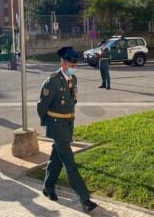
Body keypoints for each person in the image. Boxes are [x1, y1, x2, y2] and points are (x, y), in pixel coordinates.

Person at [37, 47, 98, 213]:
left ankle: (48, 187)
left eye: (75, 64)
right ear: (63, 62)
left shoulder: (73, 79)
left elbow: (72, 101)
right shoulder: (52, 81)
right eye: (71, 64)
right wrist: (48, 124)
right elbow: (41, 106)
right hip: (57, 126)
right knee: (69, 162)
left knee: (56, 158)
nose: (74, 67)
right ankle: (84, 199)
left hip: (68, 124)